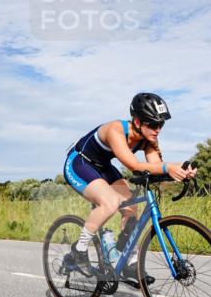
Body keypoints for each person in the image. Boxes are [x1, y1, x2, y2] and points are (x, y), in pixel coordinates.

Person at [63, 92, 196, 283]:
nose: (157, 129)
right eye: (152, 124)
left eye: (161, 124)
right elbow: (133, 166)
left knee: (131, 207)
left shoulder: (149, 139)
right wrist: (169, 167)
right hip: (80, 163)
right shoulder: (115, 130)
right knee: (110, 202)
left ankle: (128, 261)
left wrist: (181, 172)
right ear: (136, 121)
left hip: (104, 167)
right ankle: (79, 250)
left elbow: (156, 167)